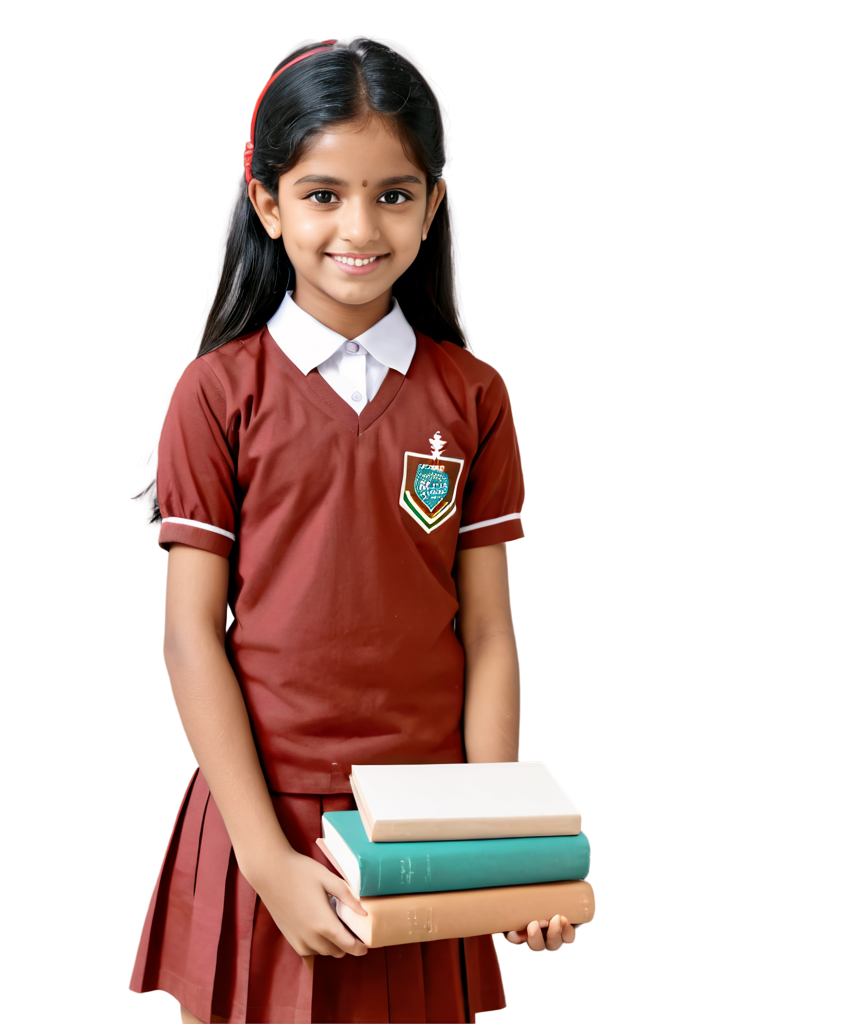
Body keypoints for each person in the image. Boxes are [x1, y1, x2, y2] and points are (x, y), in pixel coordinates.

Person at [130, 37, 576, 1024]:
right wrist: (266, 861)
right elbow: (187, 634)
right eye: (323, 194)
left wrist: (493, 842)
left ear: (433, 204)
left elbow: (490, 631)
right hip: (264, 822)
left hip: (421, 826)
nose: (358, 226)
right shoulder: (215, 394)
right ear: (266, 203)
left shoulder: (472, 396)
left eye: (393, 194)